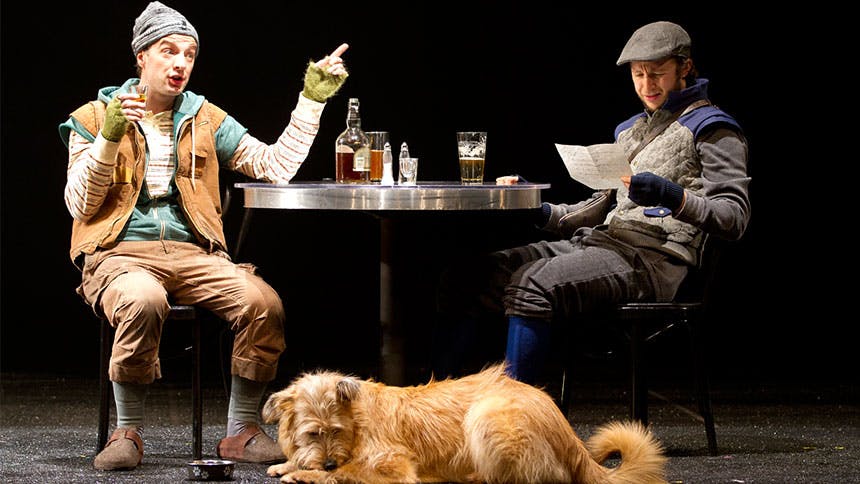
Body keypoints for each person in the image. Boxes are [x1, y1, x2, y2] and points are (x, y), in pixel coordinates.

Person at [57, 1, 349, 471]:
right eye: (168, 51)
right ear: (141, 56)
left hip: (195, 254)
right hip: (119, 254)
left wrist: (311, 101)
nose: (180, 64)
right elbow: (80, 205)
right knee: (142, 300)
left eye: (189, 55)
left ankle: (241, 431)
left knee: (263, 303)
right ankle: (127, 431)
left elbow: (274, 166)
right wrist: (109, 137)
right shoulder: (94, 117)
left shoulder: (204, 117)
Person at [432, 21, 750, 385]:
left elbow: (734, 217)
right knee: (466, 278)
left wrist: (671, 195)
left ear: (685, 68)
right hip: (601, 243)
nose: (647, 85)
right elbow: (598, 207)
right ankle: (441, 407)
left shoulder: (713, 128)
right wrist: (536, 207)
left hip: (654, 261)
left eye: (657, 74)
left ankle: (519, 415)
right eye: (638, 75)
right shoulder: (630, 130)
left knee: (532, 283)